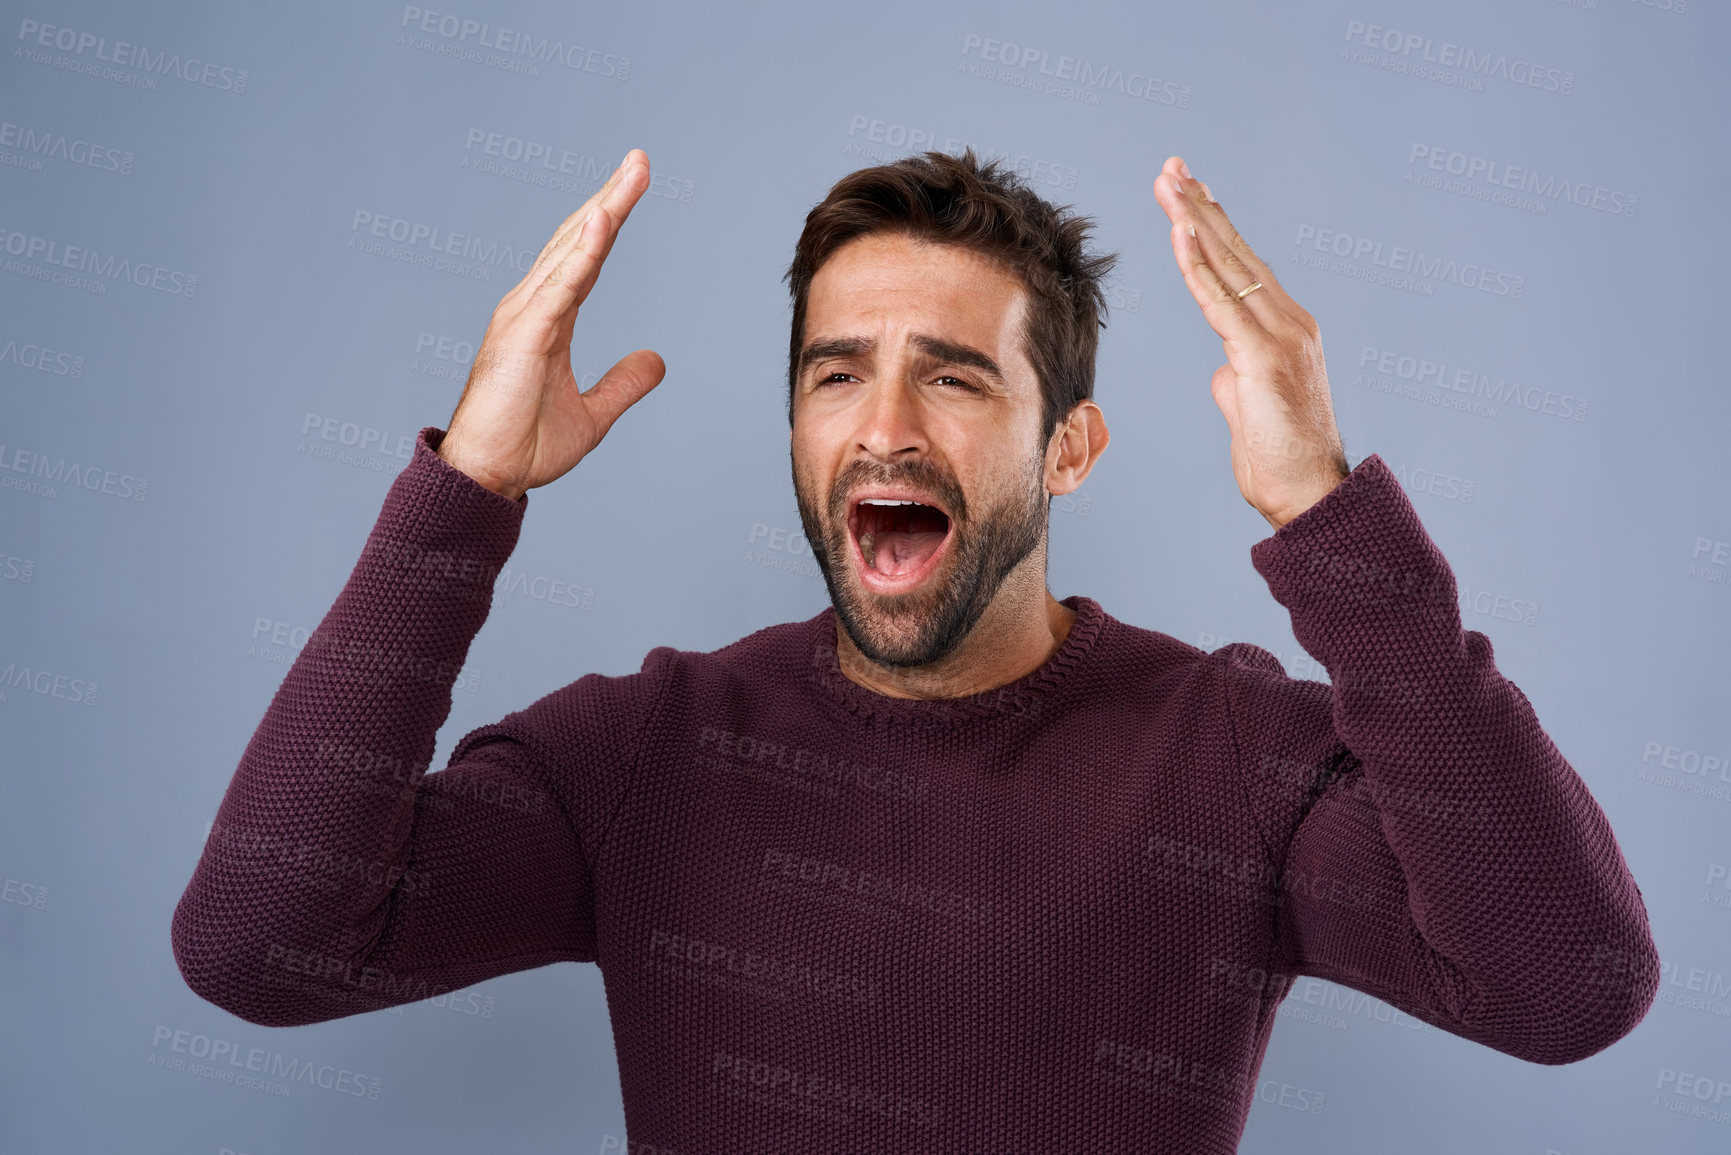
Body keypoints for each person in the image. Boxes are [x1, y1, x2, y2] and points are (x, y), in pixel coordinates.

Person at [172, 147, 1659, 1152]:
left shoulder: (1239, 758)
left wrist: (1330, 519)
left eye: (953, 377)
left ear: (1068, 447)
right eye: (837, 375)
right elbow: (259, 948)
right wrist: (467, 494)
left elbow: (1568, 985)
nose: (884, 427)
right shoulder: (640, 752)